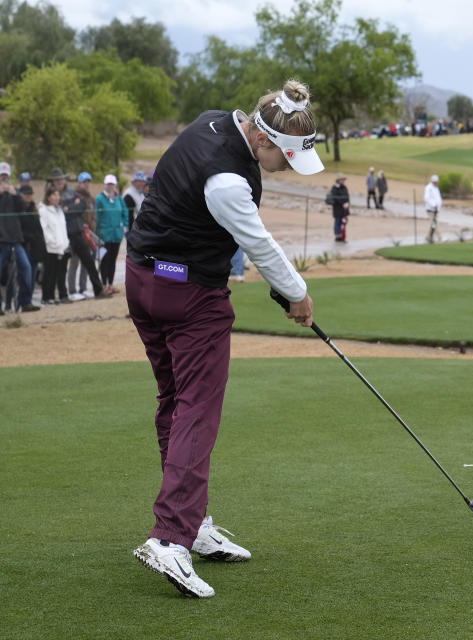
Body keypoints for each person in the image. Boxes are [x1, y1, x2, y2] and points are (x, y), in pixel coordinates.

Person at [126, 78, 322, 599]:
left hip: (144, 280)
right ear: (263, 140)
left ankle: (189, 524)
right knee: (197, 409)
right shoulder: (230, 180)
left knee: (174, 403)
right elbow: (258, 242)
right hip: (189, 297)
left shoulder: (210, 122)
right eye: (283, 156)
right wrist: (297, 295)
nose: (282, 167)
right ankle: (170, 538)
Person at [62, 171, 110, 300]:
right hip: (76, 232)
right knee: (74, 262)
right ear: (79, 182)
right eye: (84, 181)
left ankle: (83, 288)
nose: (86, 184)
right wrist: (76, 206)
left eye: (88, 181)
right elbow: (72, 212)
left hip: (89, 233)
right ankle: (72, 290)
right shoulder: (72, 195)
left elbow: (89, 213)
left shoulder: (90, 198)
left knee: (87, 262)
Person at [0, 161, 39, 313]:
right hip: (1, 240)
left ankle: (25, 302)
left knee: (26, 268)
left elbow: (22, 208)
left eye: (6, 176)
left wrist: (15, 194)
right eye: (2, 175)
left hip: (15, 240)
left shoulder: (14, 191)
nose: (4, 178)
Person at [37, 183, 71, 305]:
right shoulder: (43, 210)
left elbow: (63, 228)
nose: (57, 197)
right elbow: (44, 229)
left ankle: (57, 295)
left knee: (59, 273)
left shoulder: (60, 210)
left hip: (62, 247)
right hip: (50, 248)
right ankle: (46, 297)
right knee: (49, 273)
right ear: (48, 196)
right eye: (54, 195)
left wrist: (65, 242)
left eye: (58, 195)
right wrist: (52, 242)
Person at [95, 174, 127, 291]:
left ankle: (111, 283)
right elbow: (97, 216)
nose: (110, 186)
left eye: (112, 184)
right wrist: (98, 233)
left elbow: (125, 213)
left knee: (113, 259)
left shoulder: (119, 199)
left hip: (116, 235)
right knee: (105, 259)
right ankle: (104, 284)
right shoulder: (99, 199)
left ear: (115, 185)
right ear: (105, 184)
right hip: (104, 235)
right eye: (108, 184)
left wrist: (124, 226)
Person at [15, 184, 46, 304]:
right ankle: (23, 300)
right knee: (25, 273)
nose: (28, 196)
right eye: (25, 194)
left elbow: (38, 227)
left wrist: (40, 241)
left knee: (33, 273)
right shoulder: (19, 209)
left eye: (29, 194)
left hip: (35, 245)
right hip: (24, 244)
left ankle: (29, 300)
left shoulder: (34, 208)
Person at [328, 172, 349, 241]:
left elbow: (347, 196)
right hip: (337, 208)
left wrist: (347, 203)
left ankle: (342, 236)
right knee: (337, 222)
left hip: (344, 209)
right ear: (338, 180)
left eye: (343, 179)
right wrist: (342, 203)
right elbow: (335, 198)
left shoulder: (344, 187)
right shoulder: (334, 188)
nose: (342, 181)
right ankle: (338, 236)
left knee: (343, 223)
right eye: (341, 179)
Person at [424, 174, 443, 244]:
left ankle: (428, 237)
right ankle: (440, 237)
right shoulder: (428, 188)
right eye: (435, 181)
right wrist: (433, 205)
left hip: (436, 210)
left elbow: (438, 198)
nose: (437, 183)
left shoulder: (436, 188)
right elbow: (427, 198)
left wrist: (439, 205)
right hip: (431, 210)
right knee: (435, 223)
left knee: (433, 224)